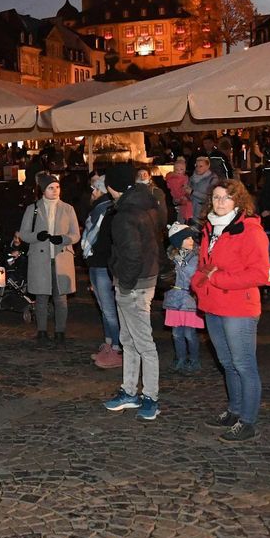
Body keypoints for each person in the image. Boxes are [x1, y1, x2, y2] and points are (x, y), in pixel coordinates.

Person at [191, 180, 269, 443]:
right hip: (213, 305)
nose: (219, 202)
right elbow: (205, 265)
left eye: (226, 198)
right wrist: (199, 281)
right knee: (226, 363)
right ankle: (234, 410)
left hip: (239, 307)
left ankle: (247, 421)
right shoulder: (210, 228)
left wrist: (219, 279)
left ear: (238, 201)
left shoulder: (249, 230)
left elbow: (258, 273)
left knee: (243, 364)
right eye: (215, 197)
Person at [102, 163, 162, 421]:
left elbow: (132, 254)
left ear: (111, 187)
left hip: (134, 285)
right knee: (129, 341)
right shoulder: (147, 203)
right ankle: (129, 391)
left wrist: (124, 284)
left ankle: (150, 396)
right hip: (145, 278)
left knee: (143, 343)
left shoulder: (125, 214)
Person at [18, 172, 80, 347]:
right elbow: (23, 234)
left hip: (62, 258)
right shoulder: (33, 209)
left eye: (57, 187)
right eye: (51, 188)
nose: (55, 191)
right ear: (43, 190)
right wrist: (38, 236)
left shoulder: (68, 208)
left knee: (61, 298)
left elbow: (75, 234)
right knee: (42, 296)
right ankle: (42, 331)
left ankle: (60, 331)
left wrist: (64, 239)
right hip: (40, 258)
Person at [82, 174, 121, 369]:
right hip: (96, 262)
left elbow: (106, 239)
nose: (93, 192)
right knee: (103, 307)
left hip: (104, 264)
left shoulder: (108, 210)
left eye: (96, 189)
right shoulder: (99, 209)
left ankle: (116, 347)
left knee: (109, 308)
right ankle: (108, 343)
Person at [165, 223, 203, 374]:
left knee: (189, 333)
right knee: (176, 334)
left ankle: (194, 359)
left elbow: (191, 274)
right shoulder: (171, 257)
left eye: (191, 237)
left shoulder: (196, 256)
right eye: (186, 238)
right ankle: (180, 357)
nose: (191, 240)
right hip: (174, 299)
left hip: (189, 299)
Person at [189, 156, 217, 222]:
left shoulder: (213, 179)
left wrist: (192, 192)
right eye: (196, 166)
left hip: (203, 213)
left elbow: (210, 197)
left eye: (201, 166)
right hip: (190, 212)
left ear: (207, 166)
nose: (198, 168)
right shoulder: (192, 178)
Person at [165, 156, 192, 222]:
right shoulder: (173, 179)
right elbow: (175, 191)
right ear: (174, 170)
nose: (179, 171)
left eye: (181, 169)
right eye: (177, 170)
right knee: (181, 218)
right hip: (179, 201)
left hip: (184, 201)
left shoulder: (186, 177)